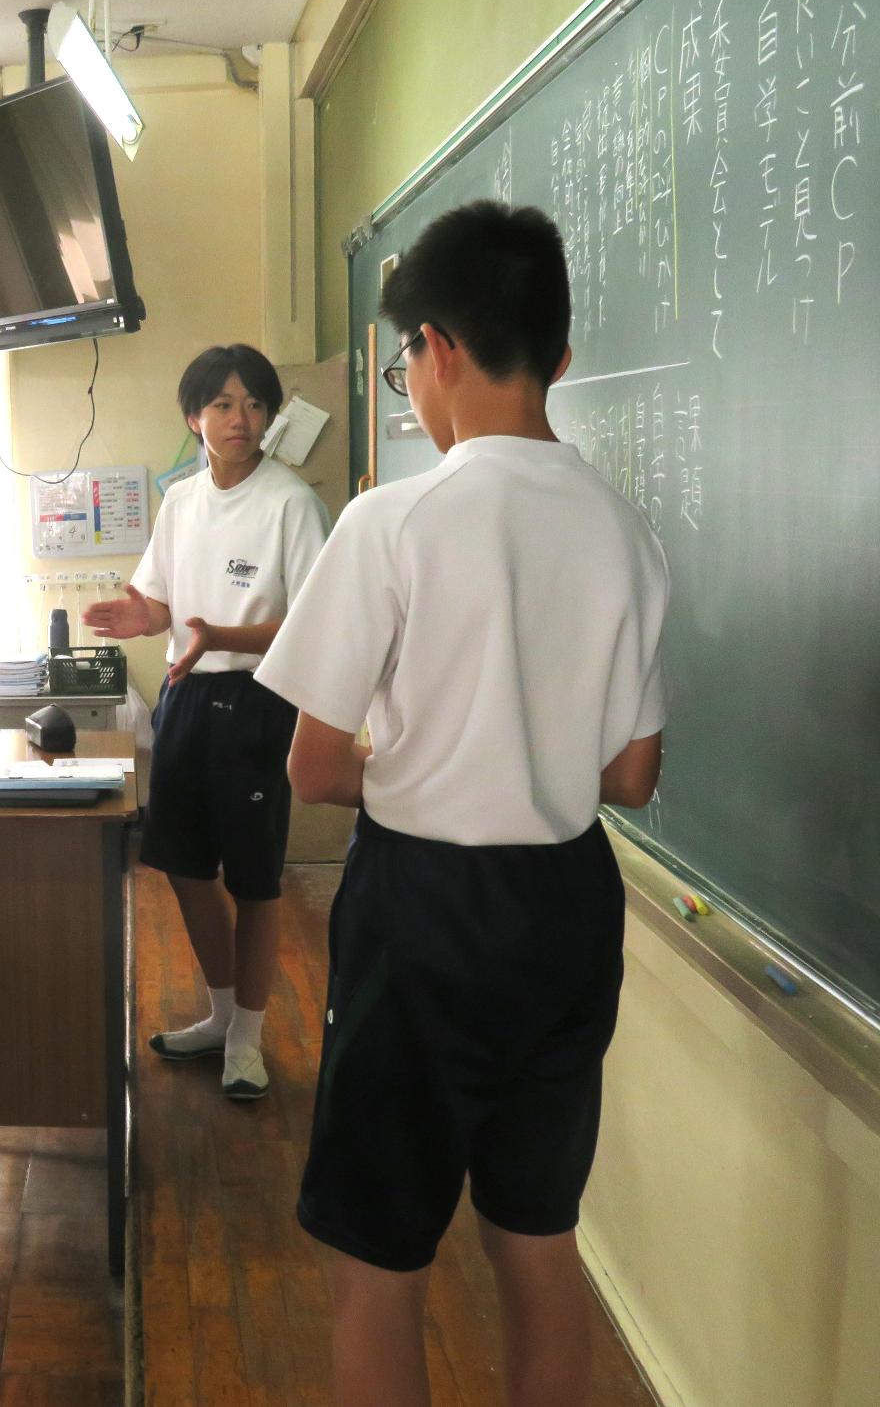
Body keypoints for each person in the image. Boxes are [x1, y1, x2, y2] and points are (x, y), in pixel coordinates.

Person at [255, 200, 668, 1407]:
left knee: (378, 1265)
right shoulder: (625, 531)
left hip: (424, 915)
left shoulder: (394, 519)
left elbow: (314, 769)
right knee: (536, 1242)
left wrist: (427, 765)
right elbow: (630, 778)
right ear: (559, 356)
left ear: (432, 348)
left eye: (403, 366)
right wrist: (524, 759)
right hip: (567, 909)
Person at [82, 344, 330, 1100]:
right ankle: (222, 1017)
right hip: (186, 696)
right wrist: (140, 618)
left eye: (254, 404)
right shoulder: (182, 501)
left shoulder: (291, 502)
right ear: (194, 417)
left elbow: (315, 624)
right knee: (185, 867)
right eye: (223, 405)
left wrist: (219, 635)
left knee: (254, 881)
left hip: (259, 702)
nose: (240, 419)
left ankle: (249, 1041)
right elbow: (161, 604)